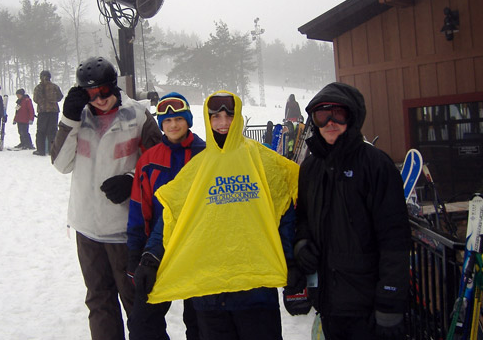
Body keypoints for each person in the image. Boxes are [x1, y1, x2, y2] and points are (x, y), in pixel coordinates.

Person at [133, 90, 299, 340]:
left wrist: (292, 260)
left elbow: (284, 213)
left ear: (239, 116)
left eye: (229, 115)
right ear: (207, 120)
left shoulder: (261, 159)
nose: (223, 123)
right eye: (216, 116)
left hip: (256, 292)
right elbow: (172, 216)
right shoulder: (198, 168)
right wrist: (150, 257)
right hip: (210, 296)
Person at [51, 57, 161, 340]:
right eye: (91, 94)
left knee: (135, 300)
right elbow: (61, 164)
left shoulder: (136, 115)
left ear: (114, 86)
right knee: (98, 300)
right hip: (87, 226)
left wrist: (132, 179)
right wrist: (68, 120)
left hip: (125, 230)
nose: (99, 99)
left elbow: (161, 163)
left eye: (104, 91)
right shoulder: (79, 117)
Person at [293, 82, 410, 340]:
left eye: (339, 114)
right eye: (322, 116)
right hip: (329, 301)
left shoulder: (376, 165)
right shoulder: (310, 168)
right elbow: (303, 219)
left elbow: (395, 238)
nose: (330, 122)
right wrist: (301, 244)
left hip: (367, 304)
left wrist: (390, 301)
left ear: (352, 116)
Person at [127, 92, 205, 340]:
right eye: (167, 121)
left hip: (199, 251)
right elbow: (140, 209)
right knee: (142, 324)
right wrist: (134, 252)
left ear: (188, 120)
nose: (173, 125)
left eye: (179, 119)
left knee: (200, 324)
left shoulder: (205, 155)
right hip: (158, 251)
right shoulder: (150, 160)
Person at [33, 70, 63, 156]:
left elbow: (35, 99)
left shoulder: (38, 87)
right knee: (53, 131)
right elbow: (60, 97)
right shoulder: (54, 87)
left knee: (41, 131)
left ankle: (41, 150)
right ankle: (52, 150)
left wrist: (42, 102)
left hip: (42, 112)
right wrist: (52, 101)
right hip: (53, 111)